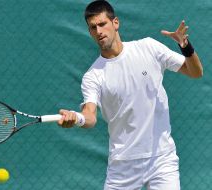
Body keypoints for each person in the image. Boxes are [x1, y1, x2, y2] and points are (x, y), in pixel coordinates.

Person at [58, 0, 203, 189]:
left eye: (102, 24)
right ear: (90, 32)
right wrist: (76, 118)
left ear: (115, 23)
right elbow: (90, 115)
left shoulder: (148, 47)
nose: (99, 31)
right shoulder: (92, 76)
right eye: (93, 27)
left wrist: (186, 46)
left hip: (162, 159)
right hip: (123, 165)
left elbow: (195, 72)